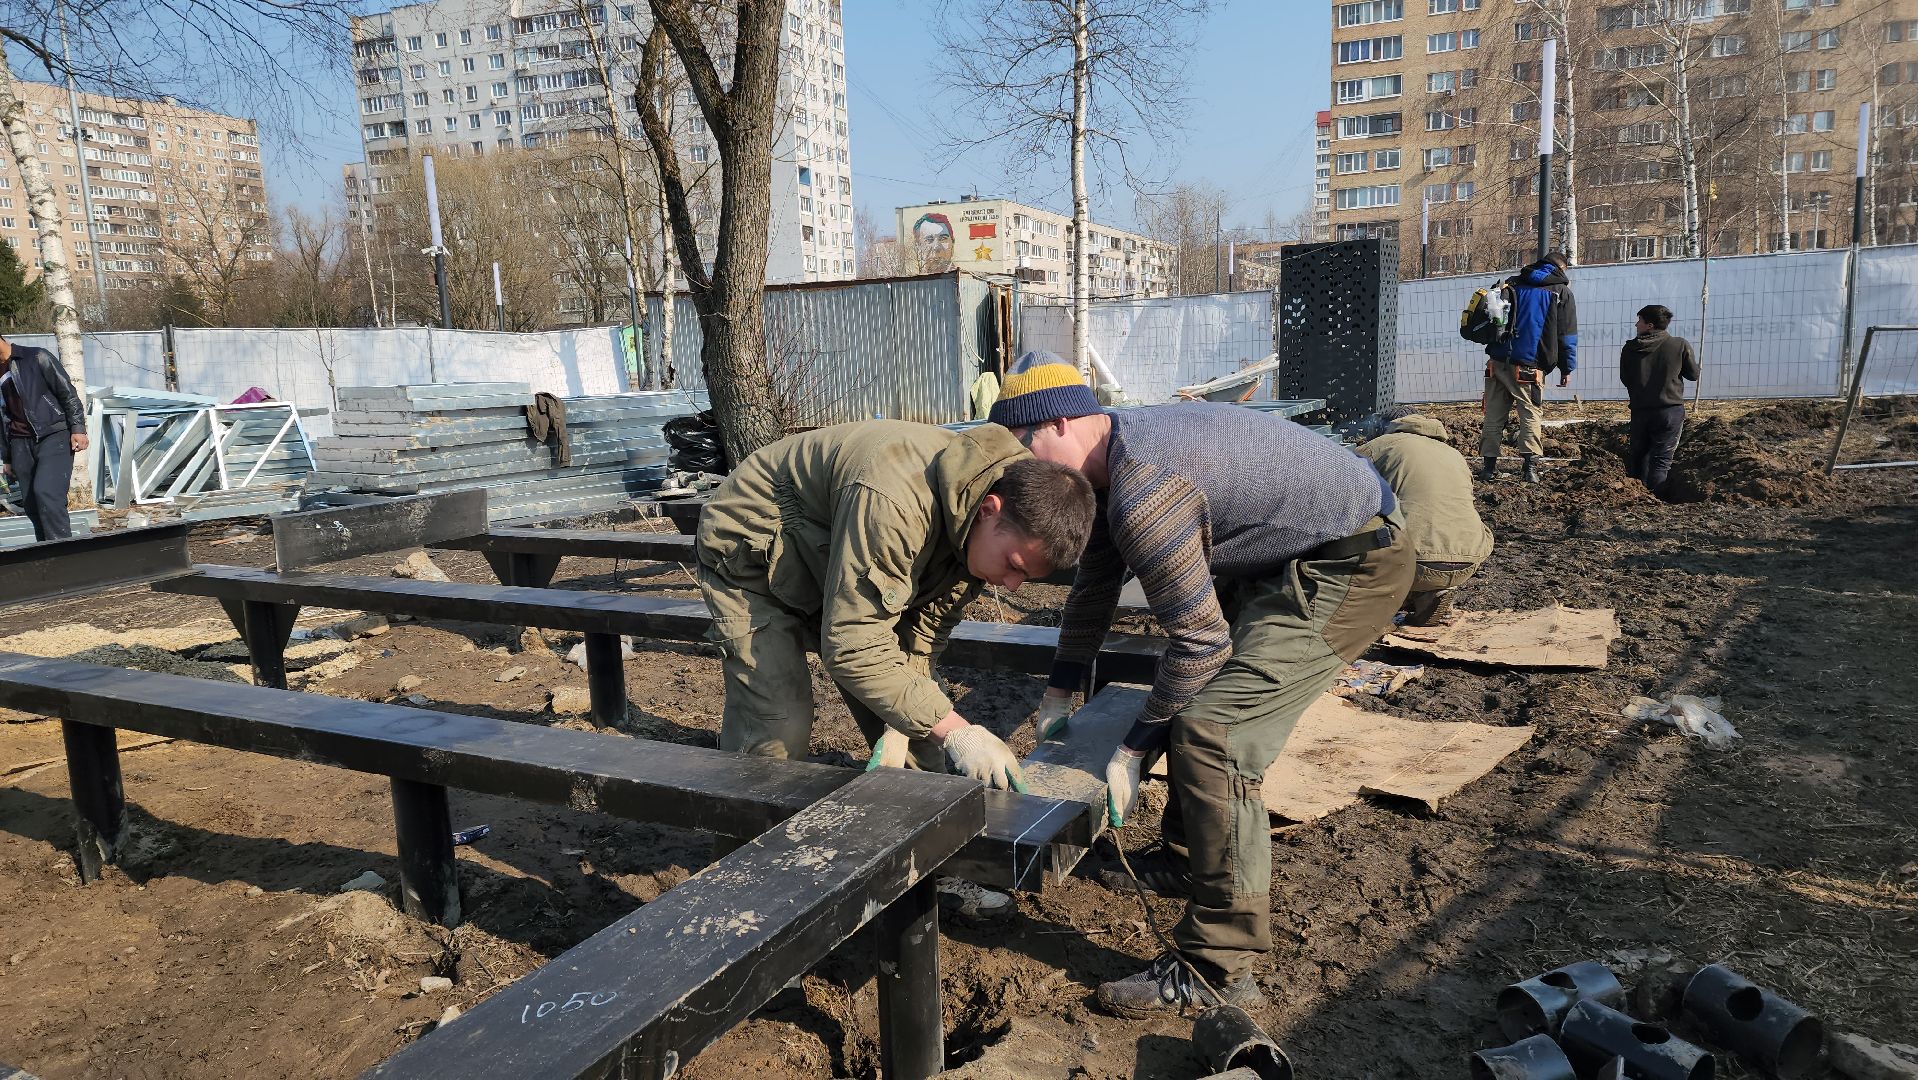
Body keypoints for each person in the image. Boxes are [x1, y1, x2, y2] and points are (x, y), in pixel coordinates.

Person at [991, 358, 1413, 1018]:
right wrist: (1060, 690)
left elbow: (1201, 643)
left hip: (1353, 562)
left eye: (1025, 446)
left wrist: (1132, 750)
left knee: (1215, 735)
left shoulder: (1145, 491)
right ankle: (1189, 859)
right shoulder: (1114, 455)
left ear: (1062, 423)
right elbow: (1096, 586)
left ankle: (1217, 966)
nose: (1022, 467)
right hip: (1293, 555)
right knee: (1196, 706)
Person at [694, 417, 1096, 918]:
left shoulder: (982, 515)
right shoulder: (895, 498)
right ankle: (737, 897)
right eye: (1014, 565)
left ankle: (939, 870)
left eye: (1026, 577)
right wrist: (956, 730)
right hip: (754, 555)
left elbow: (920, 638)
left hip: (837, 565)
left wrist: (926, 725)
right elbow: (853, 644)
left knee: (921, 728)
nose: (1012, 587)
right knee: (779, 723)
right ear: (991, 512)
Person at [1355, 409, 1494, 626]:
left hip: (1411, 563)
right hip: (1468, 559)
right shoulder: (1453, 454)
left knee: (1354, 526)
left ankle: (1375, 601)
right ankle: (1428, 593)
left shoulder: (1379, 447)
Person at [1481, 252, 1578, 484]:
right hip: (1528, 366)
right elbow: (1567, 334)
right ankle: (1530, 468)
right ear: (1562, 268)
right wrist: (1567, 368)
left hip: (1496, 361)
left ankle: (1488, 468)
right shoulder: (1560, 291)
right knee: (1530, 414)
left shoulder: (1512, 283)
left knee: (1493, 415)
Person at [0, 334, 88, 542]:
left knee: (47, 493)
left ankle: (63, 553)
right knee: (31, 503)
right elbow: (1, 418)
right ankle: (46, 551)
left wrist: (78, 428)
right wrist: (8, 457)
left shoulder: (36, 357)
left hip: (53, 434)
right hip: (19, 442)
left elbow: (68, 393)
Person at [1619, 304, 1699, 498]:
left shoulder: (1630, 348)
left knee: (1638, 457)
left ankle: (1635, 496)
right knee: (1661, 459)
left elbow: (1625, 378)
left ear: (1650, 325)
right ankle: (1658, 499)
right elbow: (1693, 375)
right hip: (1669, 411)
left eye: (1639, 320)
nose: (1636, 324)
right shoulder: (1679, 345)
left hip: (1640, 411)